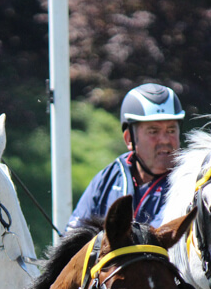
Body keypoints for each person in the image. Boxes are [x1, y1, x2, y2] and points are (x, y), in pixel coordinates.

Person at [67, 83, 184, 230]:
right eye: (153, 131)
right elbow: (73, 234)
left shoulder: (190, 183)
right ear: (129, 139)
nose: (165, 140)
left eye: (171, 130)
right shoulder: (108, 178)